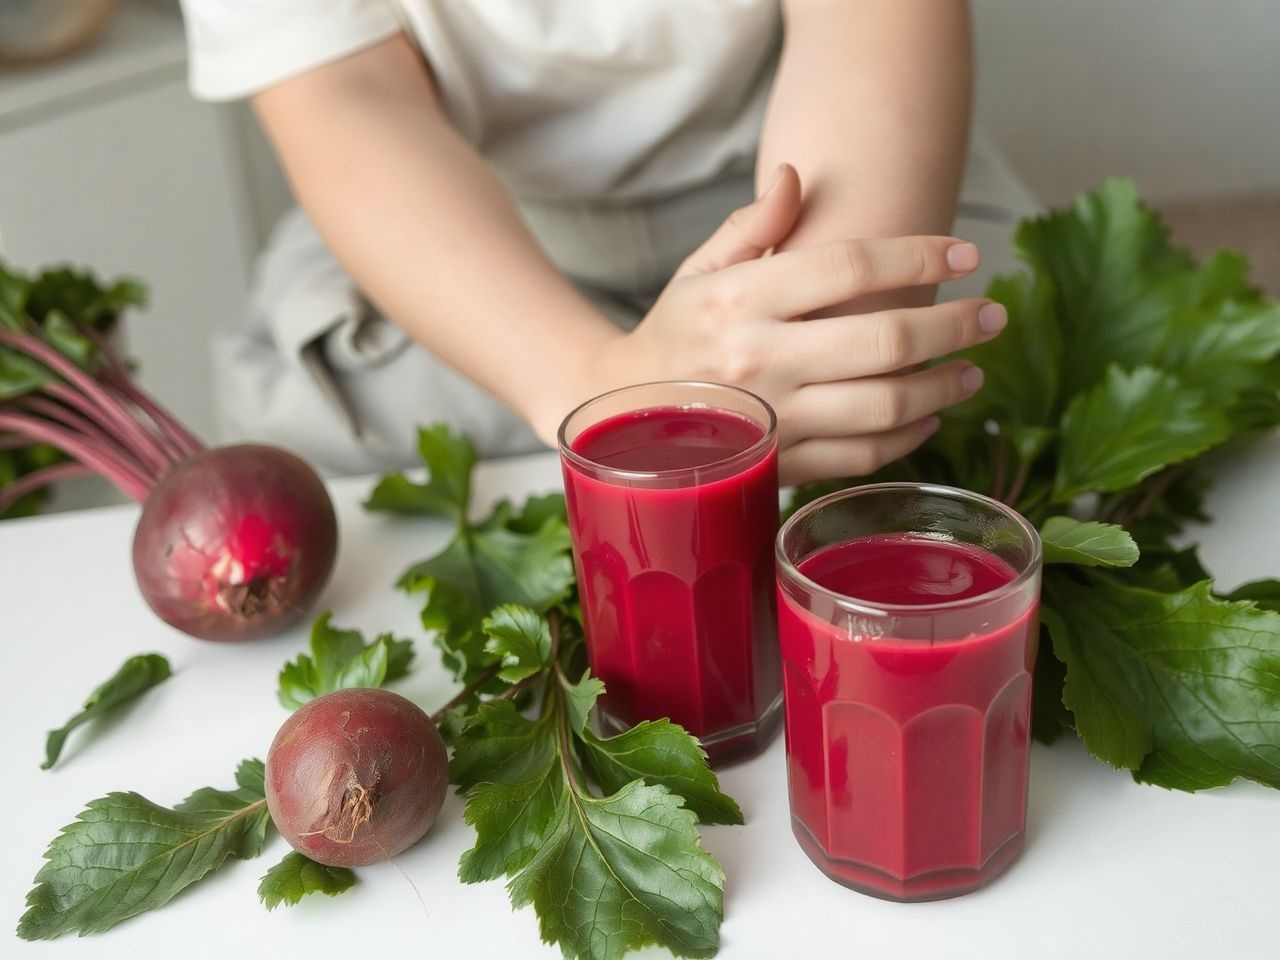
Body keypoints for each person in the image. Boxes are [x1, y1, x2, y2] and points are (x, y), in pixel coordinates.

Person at [179, 0, 1038, 484]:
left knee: (979, 407)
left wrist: (821, 344)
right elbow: (350, 100)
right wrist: (590, 385)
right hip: (470, 227)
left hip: (794, 180)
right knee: (308, 458)